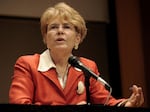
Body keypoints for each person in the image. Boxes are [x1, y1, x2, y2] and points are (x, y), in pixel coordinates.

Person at [9, 2, 144, 107]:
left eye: (67, 27)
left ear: (77, 38)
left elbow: (106, 101)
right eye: (53, 27)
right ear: (45, 38)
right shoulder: (28, 64)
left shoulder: (87, 66)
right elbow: (19, 104)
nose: (60, 31)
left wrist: (126, 104)